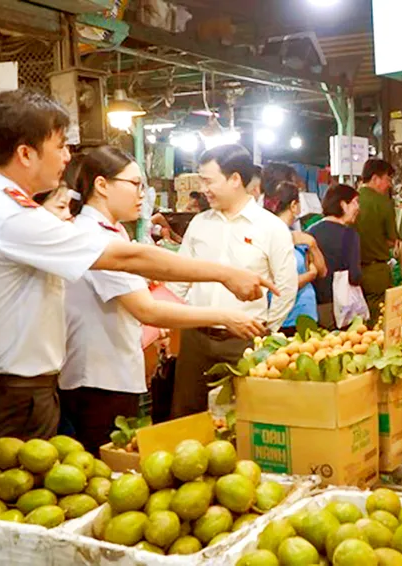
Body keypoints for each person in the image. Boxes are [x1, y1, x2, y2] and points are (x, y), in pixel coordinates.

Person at [0, 90, 275, 463]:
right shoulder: (8, 215)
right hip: (14, 397)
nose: (67, 157)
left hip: (7, 389)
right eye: (60, 145)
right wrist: (226, 275)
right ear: (25, 153)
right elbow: (129, 259)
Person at [59, 146, 266, 453]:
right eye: (134, 185)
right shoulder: (94, 236)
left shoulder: (111, 231)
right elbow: (147, 309)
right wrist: (224, 314)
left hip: (109, 372)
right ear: (102, 185)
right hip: (98, 380)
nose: (142, 195)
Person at [171, 144, 298, 418]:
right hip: (195, 335)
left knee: (252, 414)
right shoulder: (200, 223)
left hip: (244, 340)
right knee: (186, 415)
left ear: (235, 179)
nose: (203, 188)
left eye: (208, 180)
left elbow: (286, 286)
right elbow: (180, 277)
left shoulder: (270, 227)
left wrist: (265, 329)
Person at [264, 181, 327, 334]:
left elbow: (323, 271)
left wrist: (312, 245)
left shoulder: (298, 235)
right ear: (294, 206)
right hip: (285, 319)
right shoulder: (273, 237)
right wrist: (310, 275)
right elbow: (283, 284)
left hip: (306, 313)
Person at [308, 184, 362, 329]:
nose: (358, 208)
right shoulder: (349, 235)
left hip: (315, 307)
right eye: (355, 202)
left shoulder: (310, 232)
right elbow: (355, 276)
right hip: (341, 307)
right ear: (343, 205)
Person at [355, 158, 397, 321]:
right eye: (387, 179)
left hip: (351, 273)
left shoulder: (350, 200)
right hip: (377, 273)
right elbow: (392, 240)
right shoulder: (384, 203)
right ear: (375, 178)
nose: (389, 184)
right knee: (378, 321)